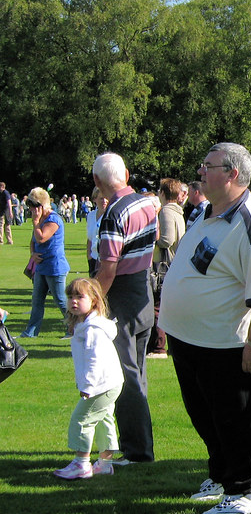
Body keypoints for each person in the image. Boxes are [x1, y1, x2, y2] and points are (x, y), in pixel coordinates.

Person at [159, 142, 251, 514]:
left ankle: (243, 492)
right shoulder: (207, 213)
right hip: (189, 339)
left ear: (232, 174)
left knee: (237, 418)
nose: (200, 171)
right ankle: (220, 476)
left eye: (208, 166)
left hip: (226, 344)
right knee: (206, 416)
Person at [92, 153, 158, 465]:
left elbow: (107, 269)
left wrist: (89, 306)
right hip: (143, 293)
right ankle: (140, 446)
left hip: (122, 298)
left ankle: (138, 452)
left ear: (97, 181)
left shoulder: (114, 213)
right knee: (137, 374)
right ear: (126, 174)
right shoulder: (146, 202)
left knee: (125, 377)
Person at [53, 278, 124, 480]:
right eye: (70, 297)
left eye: (79, 296)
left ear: (94, 300)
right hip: (109, 382)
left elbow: (95, 359)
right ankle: (105, 463)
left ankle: (81, 463)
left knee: (82, 420)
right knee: (103, 418)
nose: (73, 301)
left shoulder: (94, 330)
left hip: (102, 384)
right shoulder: (85, 325)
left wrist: (88, 386)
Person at [20, 188, 71, 338]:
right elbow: (33, 240)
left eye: (33, 207)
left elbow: (42, 238)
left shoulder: (53, 219)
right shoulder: (41, 219)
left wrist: (36, 222)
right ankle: (30, 332)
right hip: (41, 267)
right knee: (37, 301)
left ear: (41, 206)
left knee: (61, 300)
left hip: (55, 267)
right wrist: (32, 254)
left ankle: (73, 328)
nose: (31, 210)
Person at [148, 178, 186, 359]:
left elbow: (167, 240)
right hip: (175, 264)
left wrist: (151, 239)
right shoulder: (178, 212)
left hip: (164, 265)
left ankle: (159, 347)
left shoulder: (166, 212)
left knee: (157, 306)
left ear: (162, 193)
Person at [0, 181, 13, 245]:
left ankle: (6, 240)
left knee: (4, 226)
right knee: (3, 226)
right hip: (3, 211)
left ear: (2, 187)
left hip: (5, 211)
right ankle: (6, 240)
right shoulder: (2, 193)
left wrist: (10, 212)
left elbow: (9, 202)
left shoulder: (5, 193)